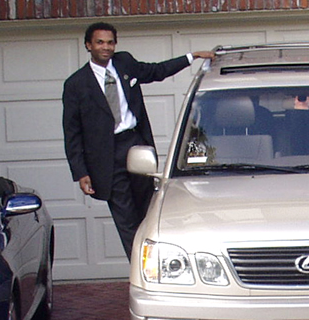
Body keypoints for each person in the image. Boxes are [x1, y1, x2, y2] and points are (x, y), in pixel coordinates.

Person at [62, 21, 215, 257]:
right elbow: (72, 133)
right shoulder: (76, 84)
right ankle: (139, 267)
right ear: (88, 45)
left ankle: (157, 262)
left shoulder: (125, 63)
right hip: (106, 157)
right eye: (100, 42)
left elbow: (156, 71)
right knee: (126, 219)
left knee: (148, 212)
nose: (106, 47)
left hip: (135, 146)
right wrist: (81, 172)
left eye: (110, 42)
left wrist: (191, 57)